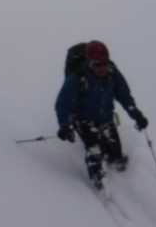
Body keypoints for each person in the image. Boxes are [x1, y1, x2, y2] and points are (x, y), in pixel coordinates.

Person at [55, 40, 149, 191]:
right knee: (95, 148)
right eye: (97, 64)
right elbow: (62, 103)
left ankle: (123, 180)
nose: (102, 67)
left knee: (116, 154)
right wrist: (64, 126)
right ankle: (99, 182)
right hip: (82, 117)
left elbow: (124, 96)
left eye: (104, 63)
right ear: (90, 63)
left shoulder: (112, 74)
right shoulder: (78, 78)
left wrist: (137, 115)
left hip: (105, 118)